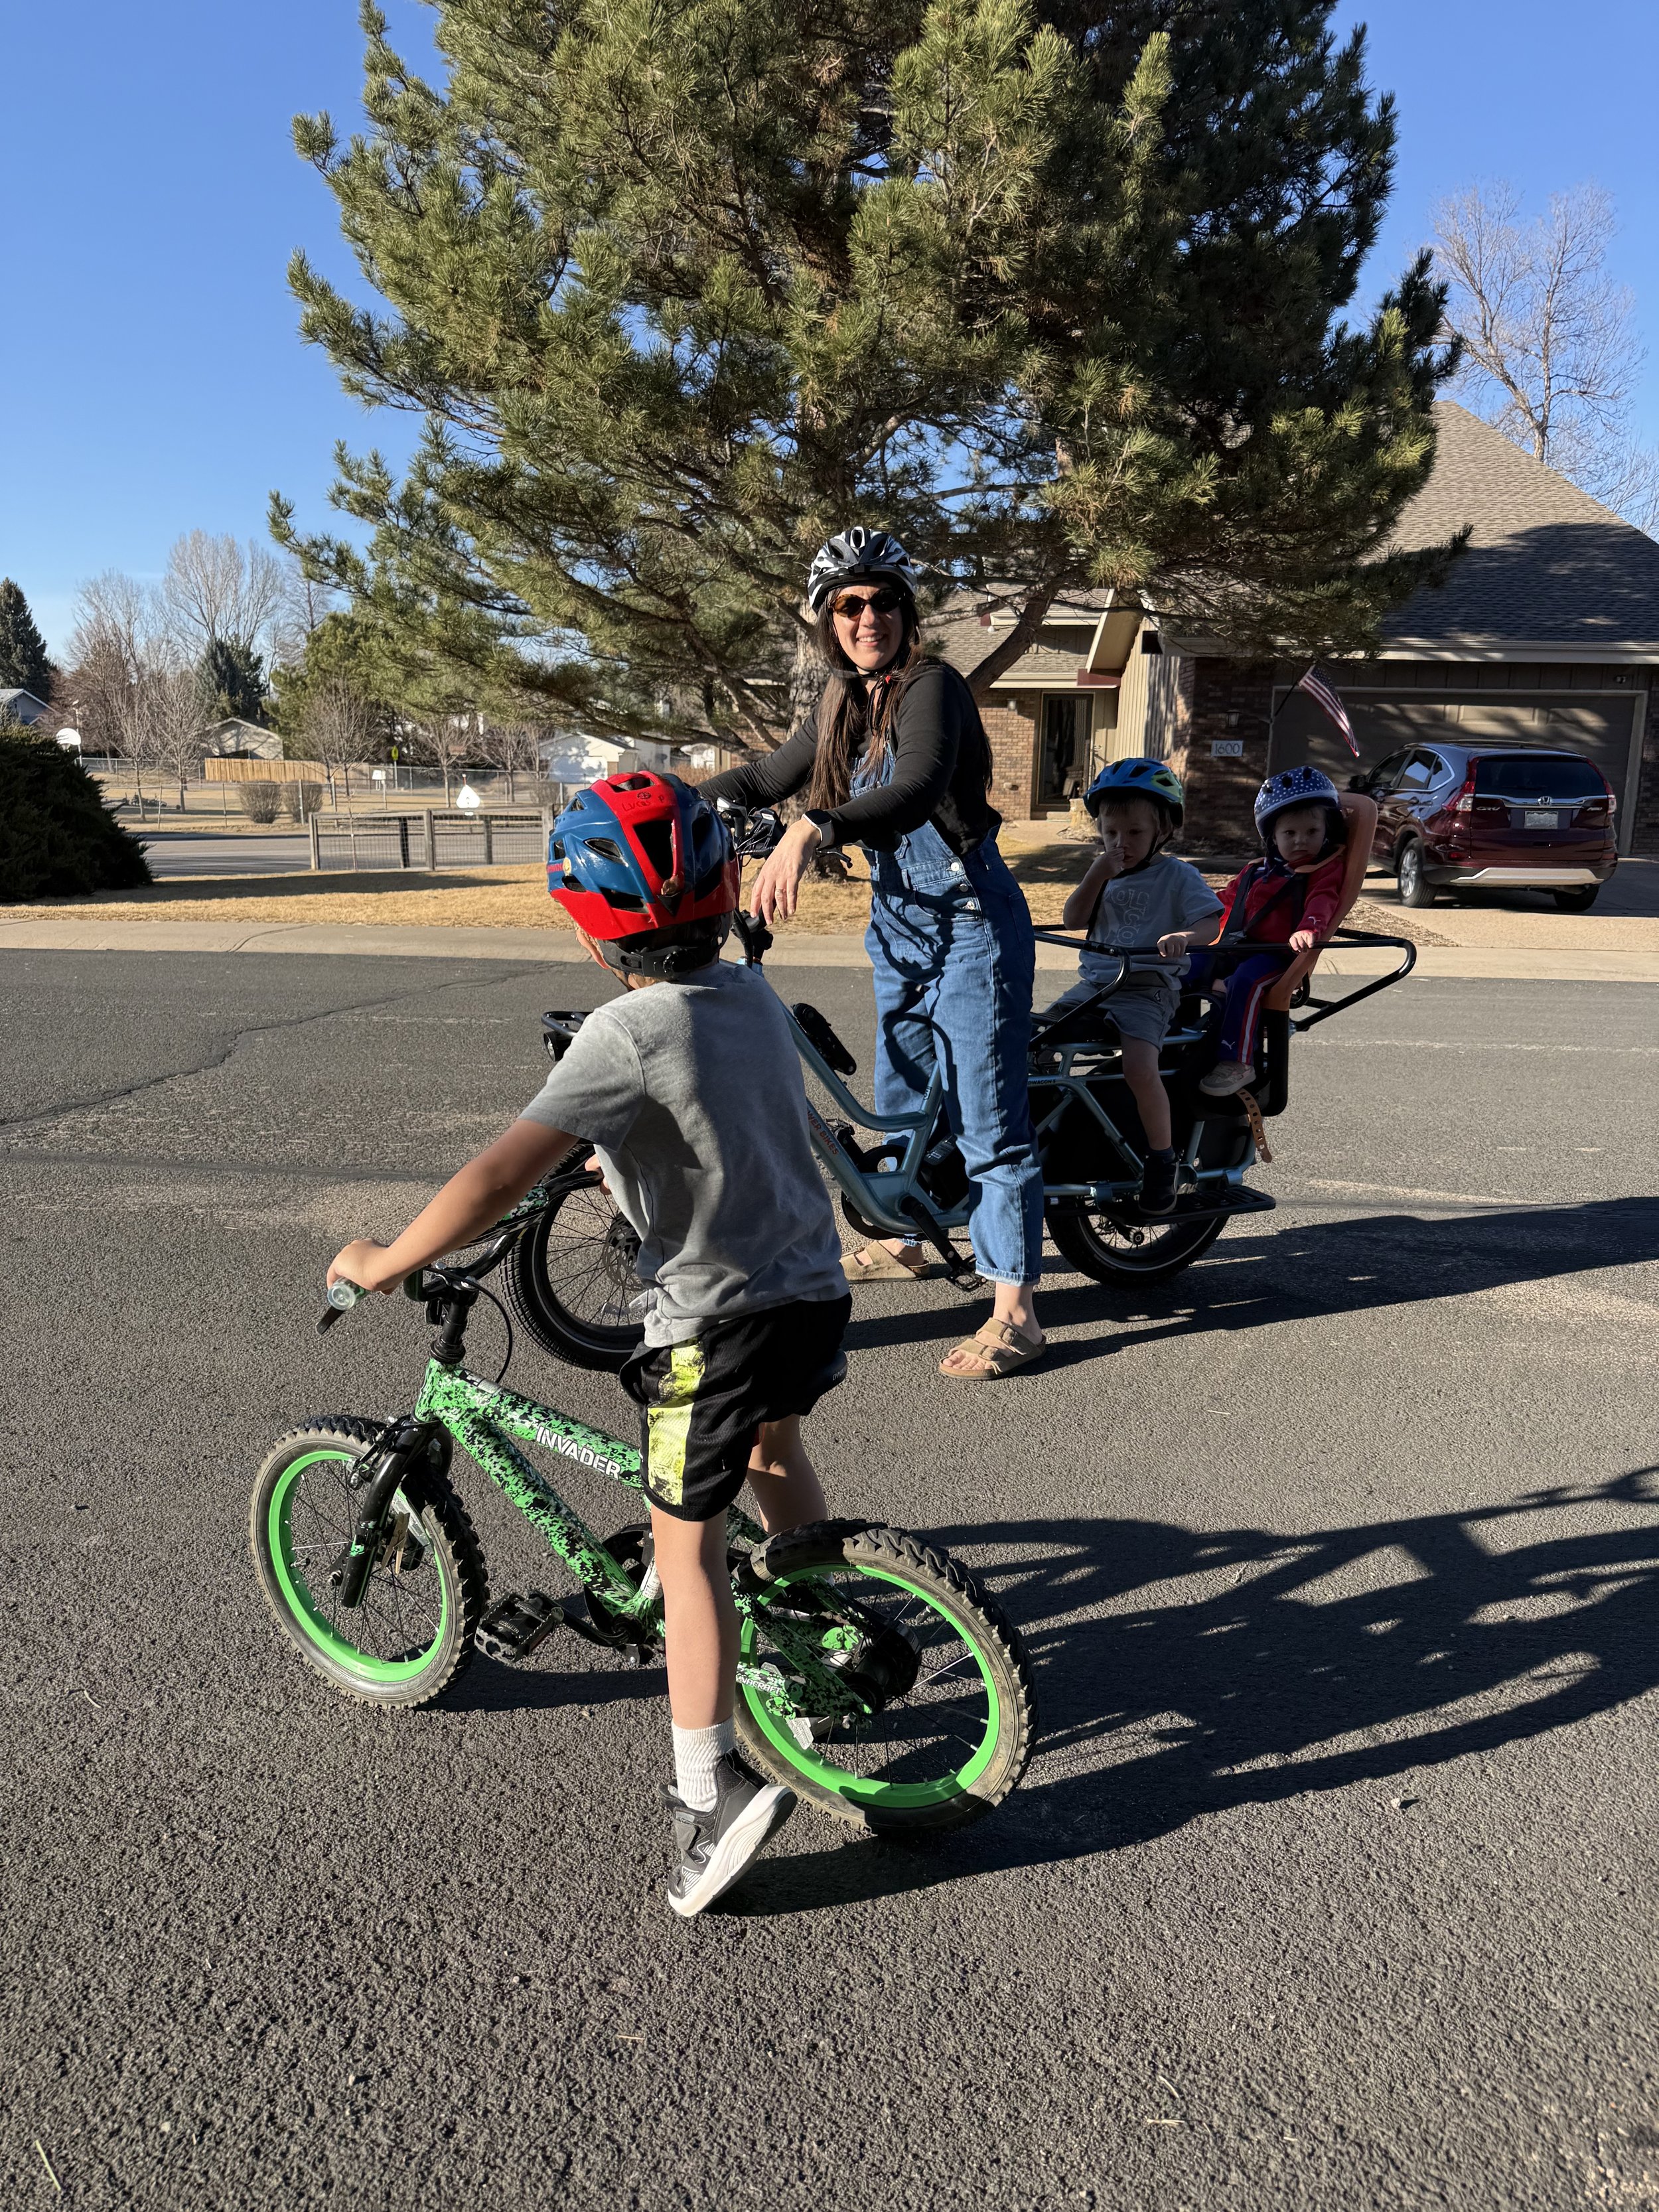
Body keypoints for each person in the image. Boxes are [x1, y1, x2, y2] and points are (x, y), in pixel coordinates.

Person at [326, 771, 851, 1919]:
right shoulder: (750, 995)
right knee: (775, 1452)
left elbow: (497, 1173)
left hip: (708, 1320)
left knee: (688, 1550)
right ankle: (833, 1651)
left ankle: (707, 1789)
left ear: (587, 921)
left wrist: (384, 1257)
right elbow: (695, 1115)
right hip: (810, 1294)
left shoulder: (624, 1027)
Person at [702, 527, 1046, 1382]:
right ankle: (906, 1240)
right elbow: (764, 776)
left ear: (906, 610)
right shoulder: (839, 702)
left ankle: (1016, 1312)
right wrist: (655, 803)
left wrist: (815, 828)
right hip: (900, 922)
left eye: (883, 600)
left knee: (988, 1118)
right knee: (900, 1095)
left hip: (969, 917)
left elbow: (919, 783)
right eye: (849, 604)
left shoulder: (933, 685)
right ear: (827, 619)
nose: (868, 617)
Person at [1044, 758, 1223, 1215]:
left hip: (1147, 989)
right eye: (1110, 834)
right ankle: (1042, 1135)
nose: (1121, 844)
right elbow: (1073, 919)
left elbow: (1210, 922)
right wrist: (1097, 873)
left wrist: (1186, 937)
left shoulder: (1178, 875)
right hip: (1095, 986)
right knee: (1035, 1038)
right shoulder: (1103, 871)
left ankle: (1162, 1161)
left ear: (1162, 829)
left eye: (1135, 833)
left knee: (1140, 1068)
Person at [1163, 766, 1351, 1098]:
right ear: (1273, 837)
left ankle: (1238, 1061)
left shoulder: (1322, 870)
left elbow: (1323, 902)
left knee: (1245, 981)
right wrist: (1181, 920)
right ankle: (1165, 1036)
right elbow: (1220, 902)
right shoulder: (1255, 871)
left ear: (1327, 831)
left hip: (1278, 954)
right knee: (1186, 967)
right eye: (1290, 834)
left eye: (1311, 831)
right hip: (1237, 946)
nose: (1301, 840)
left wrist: (1309, 928)